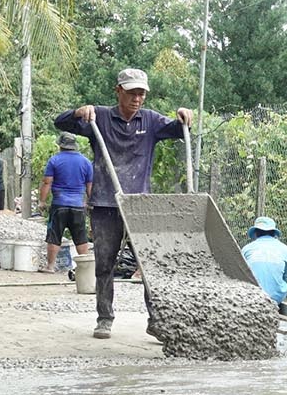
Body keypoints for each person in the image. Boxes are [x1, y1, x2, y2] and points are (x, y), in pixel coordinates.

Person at [56, 68, 193, 339]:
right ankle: (104, 318)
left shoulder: (151, 121)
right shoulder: (100, 117)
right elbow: (61, 123)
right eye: (131, 92)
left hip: (139, 204)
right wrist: (77, 112)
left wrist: (184, 116)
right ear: (118, 90)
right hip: (106, 203)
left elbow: (178, 129)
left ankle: (157, 321)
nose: (137, 98)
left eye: (141, 93)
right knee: (105, 263)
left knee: (149, 263)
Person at [39, 132, 94, 273]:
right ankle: (85, 268)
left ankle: (50, 266)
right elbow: (89, 186)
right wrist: (89, 202)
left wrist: (42, 201)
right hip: (78, 206)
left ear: (60, 145)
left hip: (59, 204)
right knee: (80, 237)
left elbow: (47, 182)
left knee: (54, 235)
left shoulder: (54, 160)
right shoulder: (85, 162)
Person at [241, 216, 287, 303]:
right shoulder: (285, 249)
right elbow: (285, 276)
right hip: (275, 299)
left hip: (251, 297)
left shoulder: (247, 249)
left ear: (255, 233)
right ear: (274, 233)